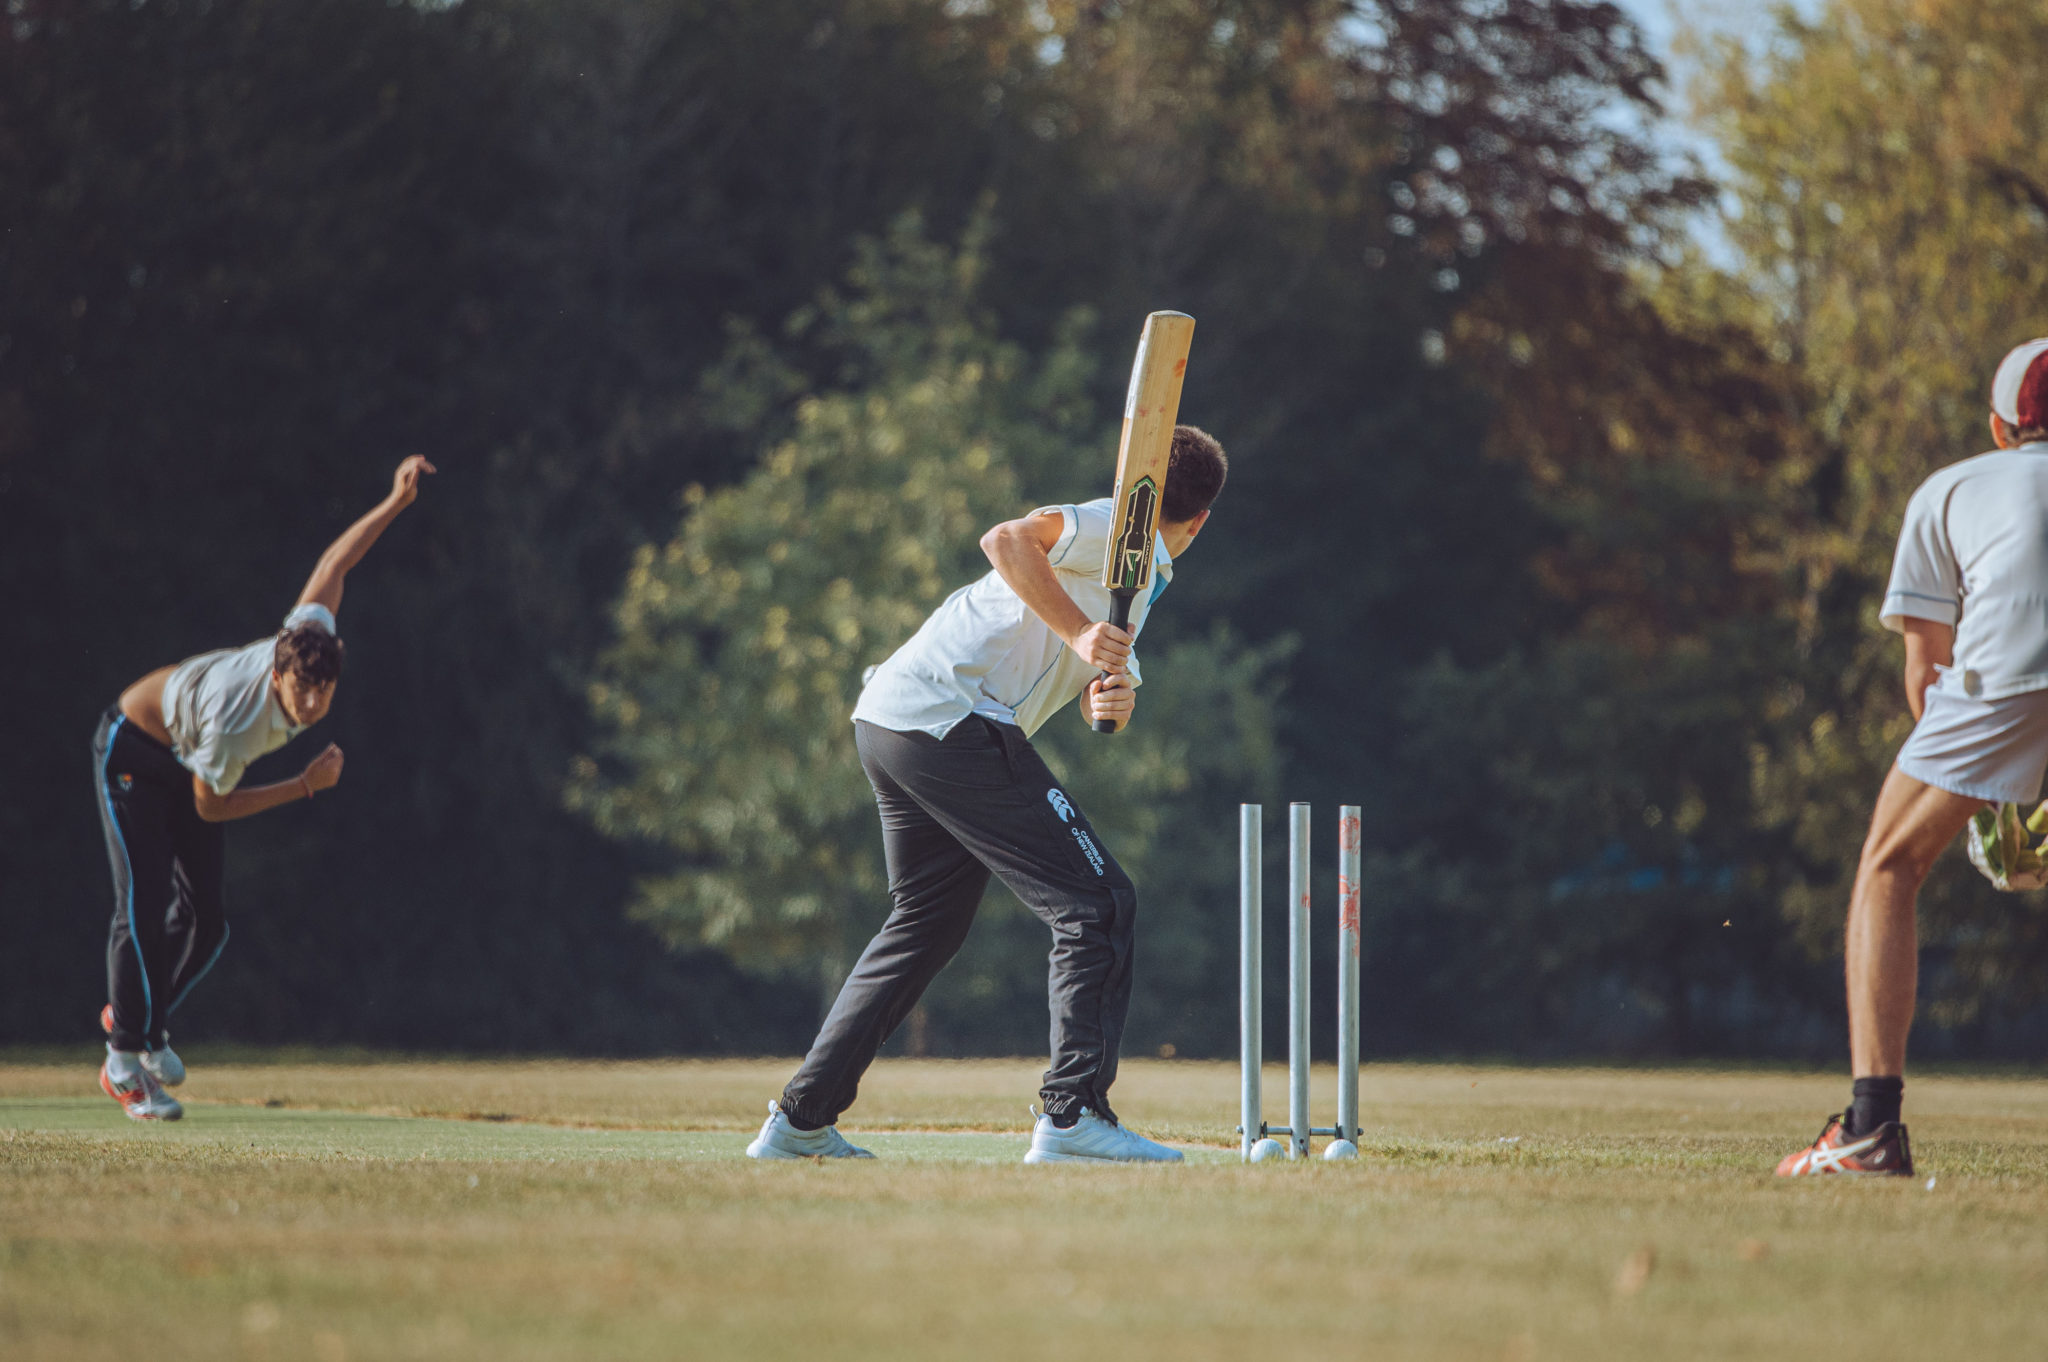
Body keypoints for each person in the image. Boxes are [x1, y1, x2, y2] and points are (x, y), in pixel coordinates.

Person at [746, 426, 1228, 1163]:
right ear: (1200, 520)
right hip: (951, 718)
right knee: (1097, 903)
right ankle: (1073, 1118)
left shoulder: (1143, 572)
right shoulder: (1113, 524)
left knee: (926, 926)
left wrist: (1114, 693)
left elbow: (1103, 674)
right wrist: (1077, 638)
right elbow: (1005, 540)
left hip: (896, 719)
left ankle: (799, 1120)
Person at [93, 455, 436, 1121]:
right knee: (139, 906)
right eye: (302, 691)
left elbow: (336, 565)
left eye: (324, 691)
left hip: (189, 760)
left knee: (208, 924)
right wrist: (304, 786)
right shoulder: (239, 720)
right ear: (280, 675)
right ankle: (124, 1063)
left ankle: (139, 1018)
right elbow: (209, 803)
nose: (312, 703)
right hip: (134, 750)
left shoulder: (311, 638)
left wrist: (394, 501)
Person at [1777, 340, 2048, 1176]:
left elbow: (1927, 677)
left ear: (2001, 426)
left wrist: (1999, 797)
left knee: (1889, 865)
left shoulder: (1953, 487)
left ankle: (1868, 1128)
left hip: (2008, 671)